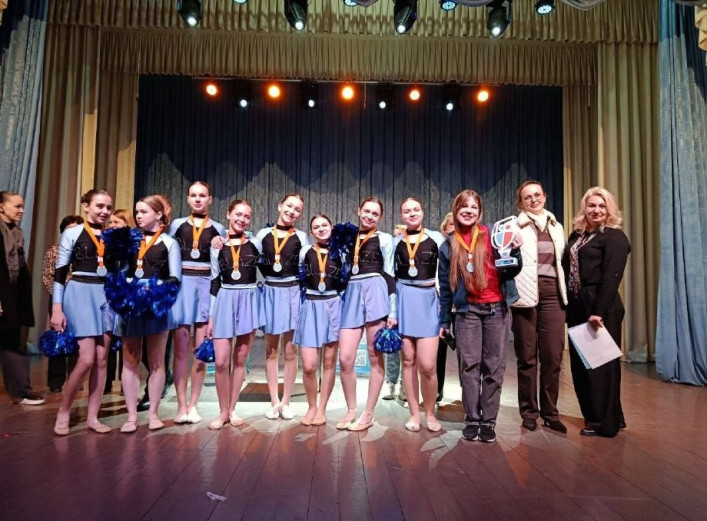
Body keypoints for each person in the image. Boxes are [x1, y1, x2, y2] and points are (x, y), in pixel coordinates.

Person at [438, 190, 522, 443]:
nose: (469, 211)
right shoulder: (448, 244)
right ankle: (472, 419)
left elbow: (512, 269)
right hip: (468, 313)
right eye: (464, 206)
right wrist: (444, 321)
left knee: (494, 367)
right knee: (469, 366)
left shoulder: (493, 234)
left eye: (474, 207)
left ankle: (489, 421)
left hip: (497, 309)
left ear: (480, 211)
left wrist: (515, 252)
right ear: (456, 210)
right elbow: (446, 287)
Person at [562, 187, 630, 438]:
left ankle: (603, 423)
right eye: (592, 205)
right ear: (584, 208)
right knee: (582, 366)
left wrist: (598, 311)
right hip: (578, 304)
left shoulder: (614, 237)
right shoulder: (579, 235)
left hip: (600, 305)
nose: (596, 210)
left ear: (609, 209)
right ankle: (609, 416)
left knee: (600, 366)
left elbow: (613, 276)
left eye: (602, 206)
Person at [51, 190, 114, 435]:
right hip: (79, 291)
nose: (104, 211)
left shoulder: (112, 236)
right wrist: (57, 307)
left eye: (108, 207)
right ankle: (64, 410)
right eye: (99, 206)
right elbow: (60, 273)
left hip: (106, 294)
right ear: (86, 206)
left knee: (101, 359)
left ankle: (92, 417)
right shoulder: (72, 233)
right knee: (86, 358)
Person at [511, 181, 568, 433]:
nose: (533, 200)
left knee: (552, 356)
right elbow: (505, 261)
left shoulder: (557, 226)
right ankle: (529, 412)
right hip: (525, 295)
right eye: (527, 197)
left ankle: (550, 412)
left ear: (544, 196)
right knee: (526, 357)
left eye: (537, 195)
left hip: (553, 294)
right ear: (521, 202)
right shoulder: (514, 226)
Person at [120, 195, 181, 433]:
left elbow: (175, 278)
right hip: (132, 303)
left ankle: (154, 414)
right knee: (130, 360)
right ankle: (131, 416)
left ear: (158, 214)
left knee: (156, 361)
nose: (138, 216)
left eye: (143, 212)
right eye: (137, 211)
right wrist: (126, 289)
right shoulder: (130, 240)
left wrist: (154, 291)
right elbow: (121, 271)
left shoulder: (169, 243)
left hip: (157, 303)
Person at [169, 182, 226, 424]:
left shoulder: (219, 229)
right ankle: (181, 405)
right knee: (181, 351)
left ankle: (194, 404)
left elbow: (221, 266)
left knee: (201, 352)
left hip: (205, 287)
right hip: (183, 286)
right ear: (187, 198)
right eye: (193, 195)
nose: (198, 199)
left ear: (210, 199)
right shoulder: (177, 225)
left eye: (202, 195)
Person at [337, 197, 396, 431]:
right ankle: (351, 409)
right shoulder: (347, 238)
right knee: (345, 358)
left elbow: (390, 274)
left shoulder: (385, 239)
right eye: (367, 211)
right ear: (359, 210)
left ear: (380, 217)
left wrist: (393, 310)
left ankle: (368, 413)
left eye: (375, 214)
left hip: (375, 291)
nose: (370, 216)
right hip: (352, 293)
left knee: (374, 356)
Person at [206, 199, 263, 429]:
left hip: (248, 299)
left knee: (240, 360)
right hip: (224, 299)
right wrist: (211, 317)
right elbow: (214, 280)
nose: (242, 219)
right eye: (238, 214)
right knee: (221, 362)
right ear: (228, 214)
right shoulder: (217, 245)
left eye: (247, 216)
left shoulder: (255, 244)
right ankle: (222, 412)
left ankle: (232, 409)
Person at [254, 194, 309, 420]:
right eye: (289, 206)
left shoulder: (301, 237)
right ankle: (274, 402)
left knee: (290, 350)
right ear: (279, 206)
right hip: (271, 292)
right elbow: (251, 258)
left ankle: (286, 401)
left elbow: (308, 266)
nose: (292, 211)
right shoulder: (263, 235)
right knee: (271, 350)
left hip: (293, 292)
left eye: (297, 209)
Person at [394, 198, 446, 432]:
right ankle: (414, 414)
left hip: (428, 302)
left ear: (423, 212)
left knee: (427, 366)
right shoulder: (396, 241)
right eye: (407, 211)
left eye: (416, 209)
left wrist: (446, 310)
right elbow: (390, 277)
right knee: (408, 361)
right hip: (404, 300)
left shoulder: (436, 239)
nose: (412, 213)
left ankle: (430, 413)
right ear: (402, 215)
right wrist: (392, 311)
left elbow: (445, 275)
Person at [293, 214, 344, 426]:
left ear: (331, 227)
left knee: (329, 362)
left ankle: (322, 408)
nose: (321, 229)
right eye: (316, 227)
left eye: (324, 225)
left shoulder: (341, 252)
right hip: (311, 305)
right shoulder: (305, 251)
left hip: (333, 305)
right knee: (309, 365)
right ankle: (311, 406)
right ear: (311, 232)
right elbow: (299, 280)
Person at [0, 191, 44, 406]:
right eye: (17, 206)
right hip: (2, 294)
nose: (22, 210)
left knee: (14, 343)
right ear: (1, 207)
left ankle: (21, 391)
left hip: (13, 295)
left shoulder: (16, 232)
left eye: (22, 206)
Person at [42, 214, 83, 393]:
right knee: (58, 338)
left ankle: (75, 378)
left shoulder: (84, 251)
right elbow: (47, 277)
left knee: (78, 339)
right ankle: (55, 381)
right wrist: (60, 297)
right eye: (69, 229)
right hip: (59, 299)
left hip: (80, 299)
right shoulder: (55, 250)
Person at [103, 209, 135, 394]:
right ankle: (106, 382)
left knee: (125, 338)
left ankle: (126, 384)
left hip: (126, 290)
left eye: (117, 222)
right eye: (111, 222)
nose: (112, 225)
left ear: (126, 223)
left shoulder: (134, 242)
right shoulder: (105, 242)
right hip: (109, 289)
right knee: (107, 335)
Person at [436, 212, 455, 402]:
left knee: (466, 353)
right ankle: (437, 389)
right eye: (451, 224)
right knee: (439, 351)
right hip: (441, 304)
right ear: (444, 229)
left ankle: (468, 392)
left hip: (462, 306)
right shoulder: (440, 248)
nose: (454, 228)